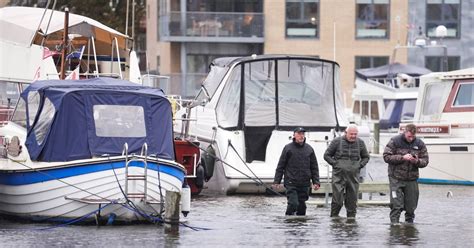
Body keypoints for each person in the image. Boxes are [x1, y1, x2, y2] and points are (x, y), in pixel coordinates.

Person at [383, 124, 428, 224]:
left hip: (411, 179)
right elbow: (386, 157)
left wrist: (416, 161)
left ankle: (409, 228)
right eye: (409, 136)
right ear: (405, 132)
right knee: (396, 205)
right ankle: (394, 226)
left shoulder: (420, 144)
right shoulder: (395, 141)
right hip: (396, 178)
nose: (411, 139)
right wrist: (402, 157)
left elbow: (425, 161)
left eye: (413, 136)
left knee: (411, 206)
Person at [323, 124, 370, 219]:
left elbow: (366, 157)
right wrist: (335, 164)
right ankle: (334, 219)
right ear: (346, 133)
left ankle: (351, 220)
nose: (353, 136)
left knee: (352, 200)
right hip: (339, 175)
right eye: (351, 134)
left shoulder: (360, 143)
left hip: (353, 176)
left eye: (355, 134)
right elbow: (326, 155)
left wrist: (359, 165)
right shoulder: (337, 141)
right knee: (337, 200)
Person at [273, 127, 320, 216]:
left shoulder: (309, 149)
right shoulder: (288, 148)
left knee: (302, 207)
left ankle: (300, 225)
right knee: (293, 204)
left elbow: (314, 167)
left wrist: (316, 182)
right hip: (291, 182)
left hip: (305, 183)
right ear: (294, 135)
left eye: (302, 134)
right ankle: (288, 222)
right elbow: (280, 166)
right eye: (299, 134)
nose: (301, 136)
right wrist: (277, 181)